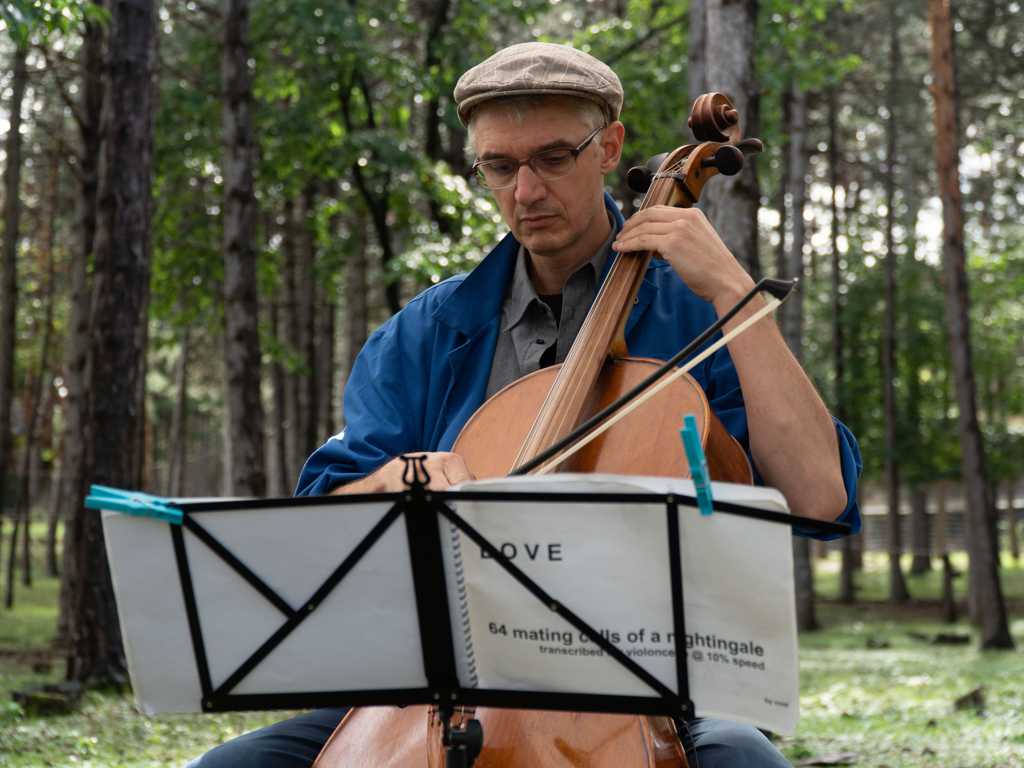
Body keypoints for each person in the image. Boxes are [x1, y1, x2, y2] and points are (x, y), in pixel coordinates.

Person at [192, 41, 862, 768]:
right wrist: (394, 482)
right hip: (437, 686)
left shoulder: (700, 313)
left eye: (553, 158)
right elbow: (325, 521)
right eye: (500, 167)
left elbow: (818, 497)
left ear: (609, 148)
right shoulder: (427, 331)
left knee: (741, 757)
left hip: (653, 684)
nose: (526, 191)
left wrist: (736, 295)